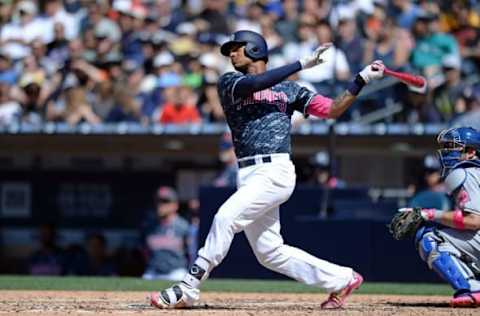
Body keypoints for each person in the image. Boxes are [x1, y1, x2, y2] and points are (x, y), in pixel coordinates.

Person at [150, 30, 385, 309]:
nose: (231, 54)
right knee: (269, 253)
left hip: (275, 171)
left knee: (225, 218)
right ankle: (342, 279)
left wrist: (361, 80)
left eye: (236, 48)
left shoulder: (291, 90)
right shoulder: (230, 82)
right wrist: (300, 64)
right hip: (248, 174)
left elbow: (332, 109)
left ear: (254, 49)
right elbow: (257, 83)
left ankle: (188, 287)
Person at [397, 127, 480, 307]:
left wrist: (431, 214)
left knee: (429, 237)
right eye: (446, 147)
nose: (447, 152)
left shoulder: (463, 172)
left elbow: (474, 221)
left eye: (453, 147)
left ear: (471, 152)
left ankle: (472, 289)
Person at [142, 186, 191, 281]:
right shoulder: (149, 226)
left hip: (176, 272)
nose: (160, 205)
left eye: (165, 201)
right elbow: (144, 250)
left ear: (175, 205)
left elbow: (191, 253)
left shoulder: (183, 226)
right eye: (158, 201)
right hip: (153, 272)